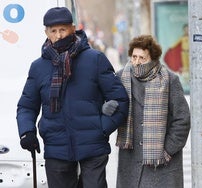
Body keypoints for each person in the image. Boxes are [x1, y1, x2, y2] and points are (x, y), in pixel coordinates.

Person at [16, 7, 129, 188]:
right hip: (56, 147)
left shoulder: (95, 59)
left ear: (72, 28)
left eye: (63, 29)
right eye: (53, 31)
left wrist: (102, 128)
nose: (59, 35)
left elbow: (121, 99)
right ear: (46, 32)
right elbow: (27, 106)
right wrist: (27, 132)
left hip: (93, 146)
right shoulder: (38, 67)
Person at [114, 35, 191, 188]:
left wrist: (168, 149)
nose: (136, 62)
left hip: (162, 163)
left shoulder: (169, 80)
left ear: (153, 59)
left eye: (142, 58)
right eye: (134, 57)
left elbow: (182, 119)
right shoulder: (121, 78)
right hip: (131, 159)